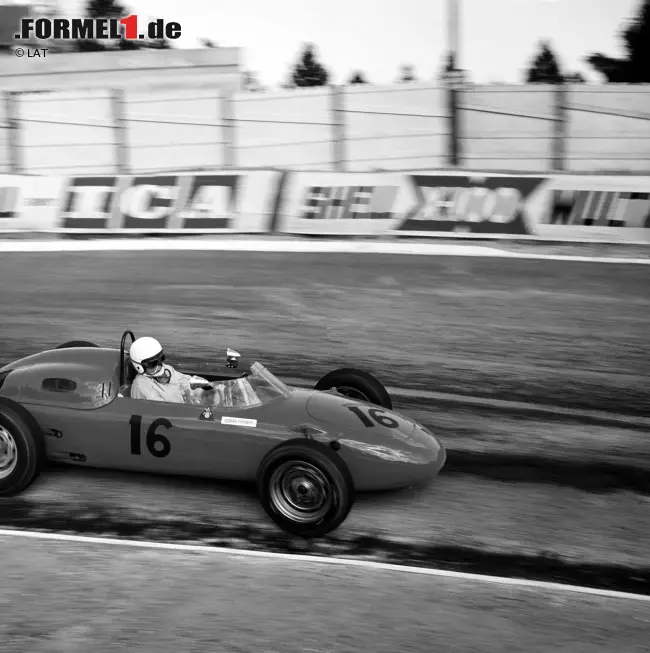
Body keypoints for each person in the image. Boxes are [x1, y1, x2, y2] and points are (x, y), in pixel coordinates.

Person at [129, 336, 214, 404]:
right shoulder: (141, 385)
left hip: (180, 409)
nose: (159, 365)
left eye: (161, 359)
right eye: (153, 363)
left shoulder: (166, 370)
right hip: (169, 415)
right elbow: (159, 407)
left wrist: (196, 383)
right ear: (139, 366)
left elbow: (181, 380)